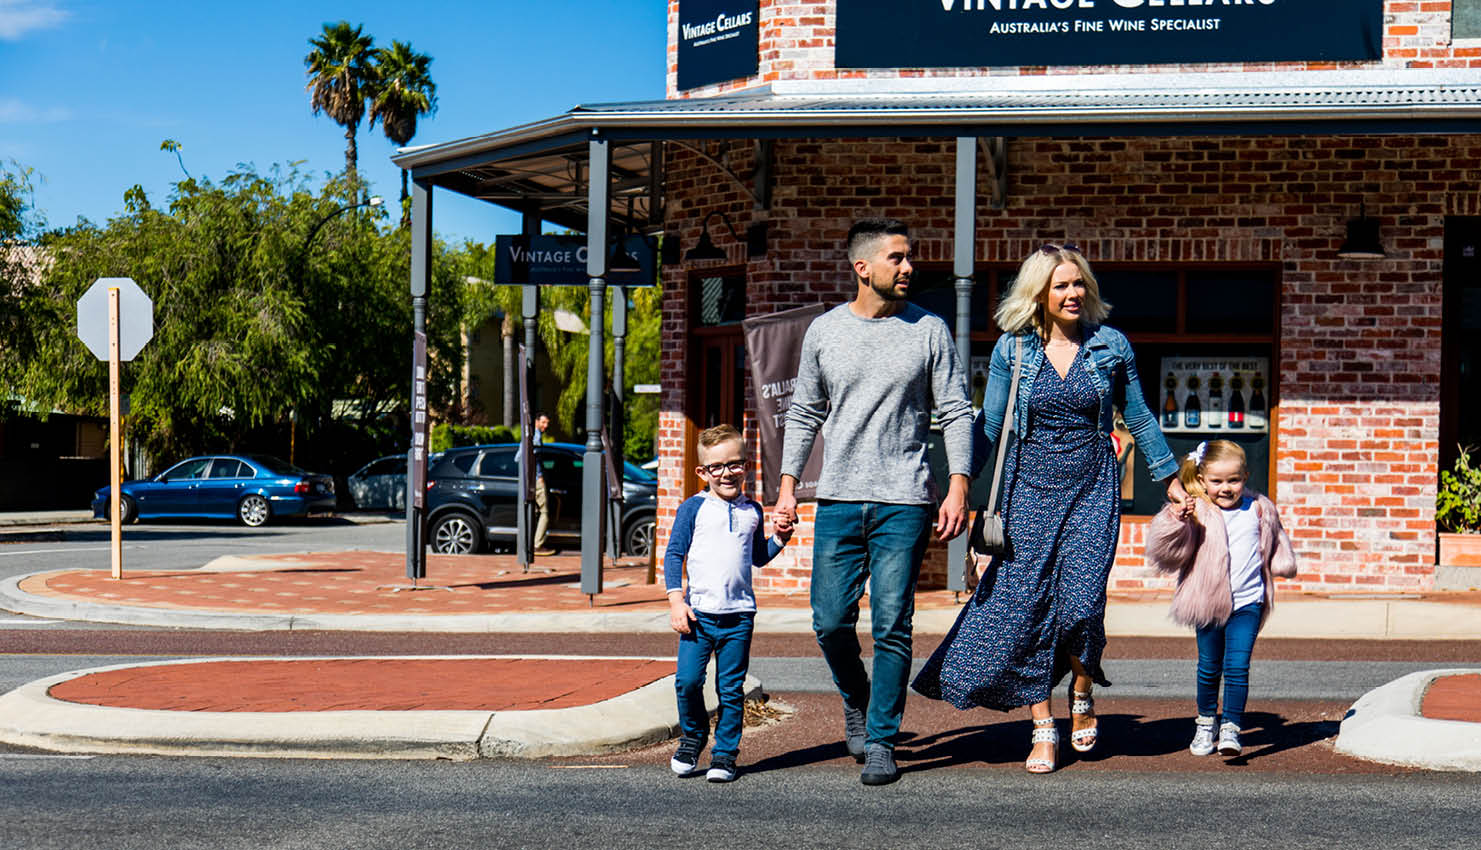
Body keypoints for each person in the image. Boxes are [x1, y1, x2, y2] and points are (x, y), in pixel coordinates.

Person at [912, 243, 1179, 774]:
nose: (1074, 293)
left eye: (1079, 284)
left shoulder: (1110, 345)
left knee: (1081, 601)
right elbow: (989, 426)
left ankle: (1082, 687)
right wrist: (958, 484)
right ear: (1039, 292)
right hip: (1028, 489)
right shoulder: (1016, 348)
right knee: (1029, 607)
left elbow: (1140, 416)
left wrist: (1169, 477)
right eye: (1061, 285)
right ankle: (1043, 726)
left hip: (1092, 486)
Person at [775, 217, 974, 786]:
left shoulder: (929, 330)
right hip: (837, 498)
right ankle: (858, 700)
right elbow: (805, 411)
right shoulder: (825, 331)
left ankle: (882, 738)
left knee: (892, 624)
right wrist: (788, 486)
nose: (908, 267)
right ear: (862, 267)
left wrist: (957, 484)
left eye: (909, 257)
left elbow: (956, 410)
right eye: (896, 258)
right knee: (829, 621)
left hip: (904, 499)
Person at [1146, 439, 1296, 757]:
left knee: (1238, 666)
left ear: (1246, 476)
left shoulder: (1259, 508)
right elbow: (1168, 553)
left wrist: (1283, 561)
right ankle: (1205, 724)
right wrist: (1176, 519)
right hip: (1207, 603)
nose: (1225, 488)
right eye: (1217, 481)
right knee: (1209, 667)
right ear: (1202, 480)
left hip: (1248, 603)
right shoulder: (1197, 511)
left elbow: (1275, 538)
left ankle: (1231, 727)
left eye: (1234, 480)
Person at [665, 424, 793, 783]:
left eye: (734, 464)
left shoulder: (752, 510)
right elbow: (674, 555)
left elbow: (756, 556)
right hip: (698, 615)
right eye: (716, 467)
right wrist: (677, 601)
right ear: (702, 472)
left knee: (730, 689)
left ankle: (724, 754)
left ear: (746, 466)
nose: (726, 473)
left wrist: (779, 540)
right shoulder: (694, 508)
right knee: (688, 681)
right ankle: (693, 737)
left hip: (739, 617)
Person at [531, 412, 554, 556]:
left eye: (547, 423)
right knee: (544, 512)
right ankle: (537, 544)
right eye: (543, 422)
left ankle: (530, 542)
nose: (545, 426)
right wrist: (539, 476)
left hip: (530, 478)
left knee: (533, 511)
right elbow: (535, 457)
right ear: (536, 421)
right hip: (536, 479)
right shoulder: (536, 436)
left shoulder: (529, 435)